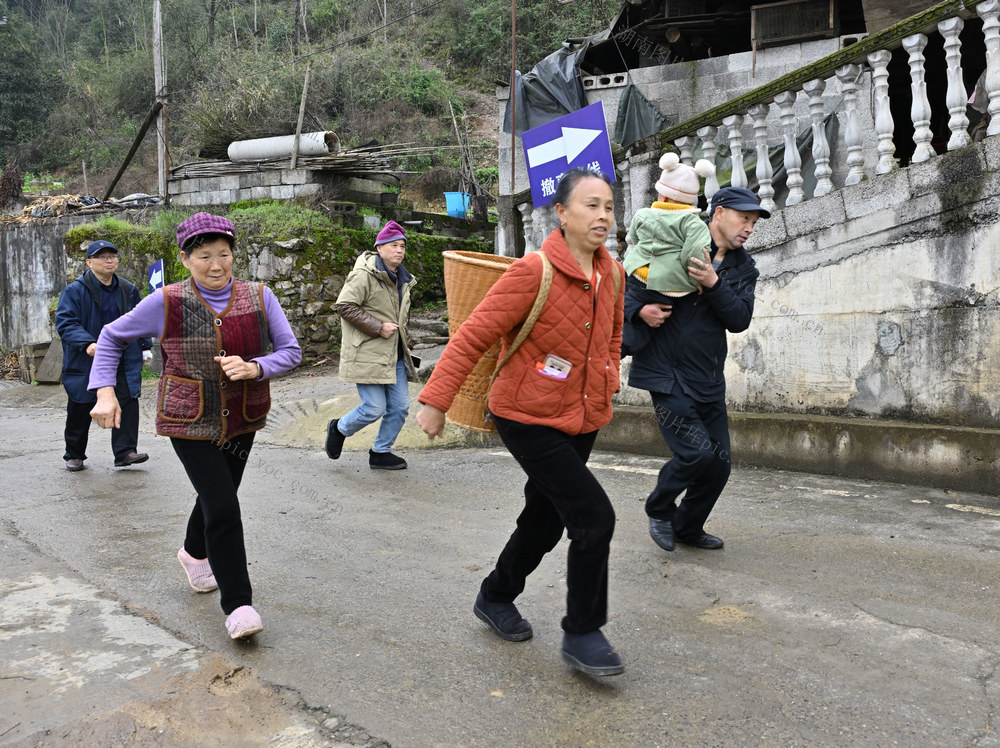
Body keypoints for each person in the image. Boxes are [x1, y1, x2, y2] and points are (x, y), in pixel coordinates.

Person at [416, 168, 626, 678]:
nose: (603, 216)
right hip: (527, 416)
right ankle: (582, 631)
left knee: (545, 518)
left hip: (583, 416)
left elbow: (615, 334)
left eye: (608, 207)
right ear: (562, 212)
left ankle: (494, 594)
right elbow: (471, 337)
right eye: (591, 205)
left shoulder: (613, 273)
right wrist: (436, 400)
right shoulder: (533, 272)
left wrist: (609, 375)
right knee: (594, 517)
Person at [89, 212, 302, 640]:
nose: (217, 264)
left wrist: (256, 366)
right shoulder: (165, 301)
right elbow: (111, 337)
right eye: (205, 256)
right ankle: (239, 605)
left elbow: (291, 352)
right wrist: (105, 392)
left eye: (224, 254)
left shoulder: (260, 296)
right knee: (223, 506)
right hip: (188, 421)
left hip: (243, 418)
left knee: (216, 495)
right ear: (186, 259)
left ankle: (193, 554)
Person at [625, 186, 768, 554]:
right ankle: (658, 507)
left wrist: (713, 283)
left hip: (706, 377)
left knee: (718, 465)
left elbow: (739, 319)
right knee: (696, 453)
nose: (749, 228)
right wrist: (638, 312)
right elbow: (627, 284)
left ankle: (688, 526)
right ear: (718, 213)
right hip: (665, 373)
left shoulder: (743, 267)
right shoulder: (673, 241)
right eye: (744, 218)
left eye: (753, 222)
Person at [325, 220, 417, 470]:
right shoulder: (363, 275)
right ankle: (339, 428)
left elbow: (399, 317)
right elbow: (344, 306)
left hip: (394, 354)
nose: (399, 250)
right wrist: (378, 327)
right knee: (374, 407)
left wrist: (406, 341)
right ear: (380, 248)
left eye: (402, 246)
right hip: (367, 352)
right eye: (394, 245)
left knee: (399, 408)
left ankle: (380, 452)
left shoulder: (404, 279)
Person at [55, 239, 153, 472]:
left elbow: (139, 320)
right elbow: (66, 323)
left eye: (113, 256)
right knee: (81, 404)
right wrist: (88, 344)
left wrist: (144, 346)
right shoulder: (74, 291)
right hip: (87, 356)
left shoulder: (128, 289)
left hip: (123, 355)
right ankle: (75, 453)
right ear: (89, 262)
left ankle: (125, 452)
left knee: (127, 399)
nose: (109, 260)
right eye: (102, 256)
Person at [622, 152, 715, 356]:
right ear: (691, 201)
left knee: (623, 316)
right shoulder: (694, 224)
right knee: (641, 334)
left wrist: (644, 257)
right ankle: (608, 359)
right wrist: (695, 282)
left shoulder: (642, 214)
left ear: (662, 196)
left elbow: (636, 240)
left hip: (635, 275)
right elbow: (693, 256)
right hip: (665, 285)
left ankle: (601, 357)